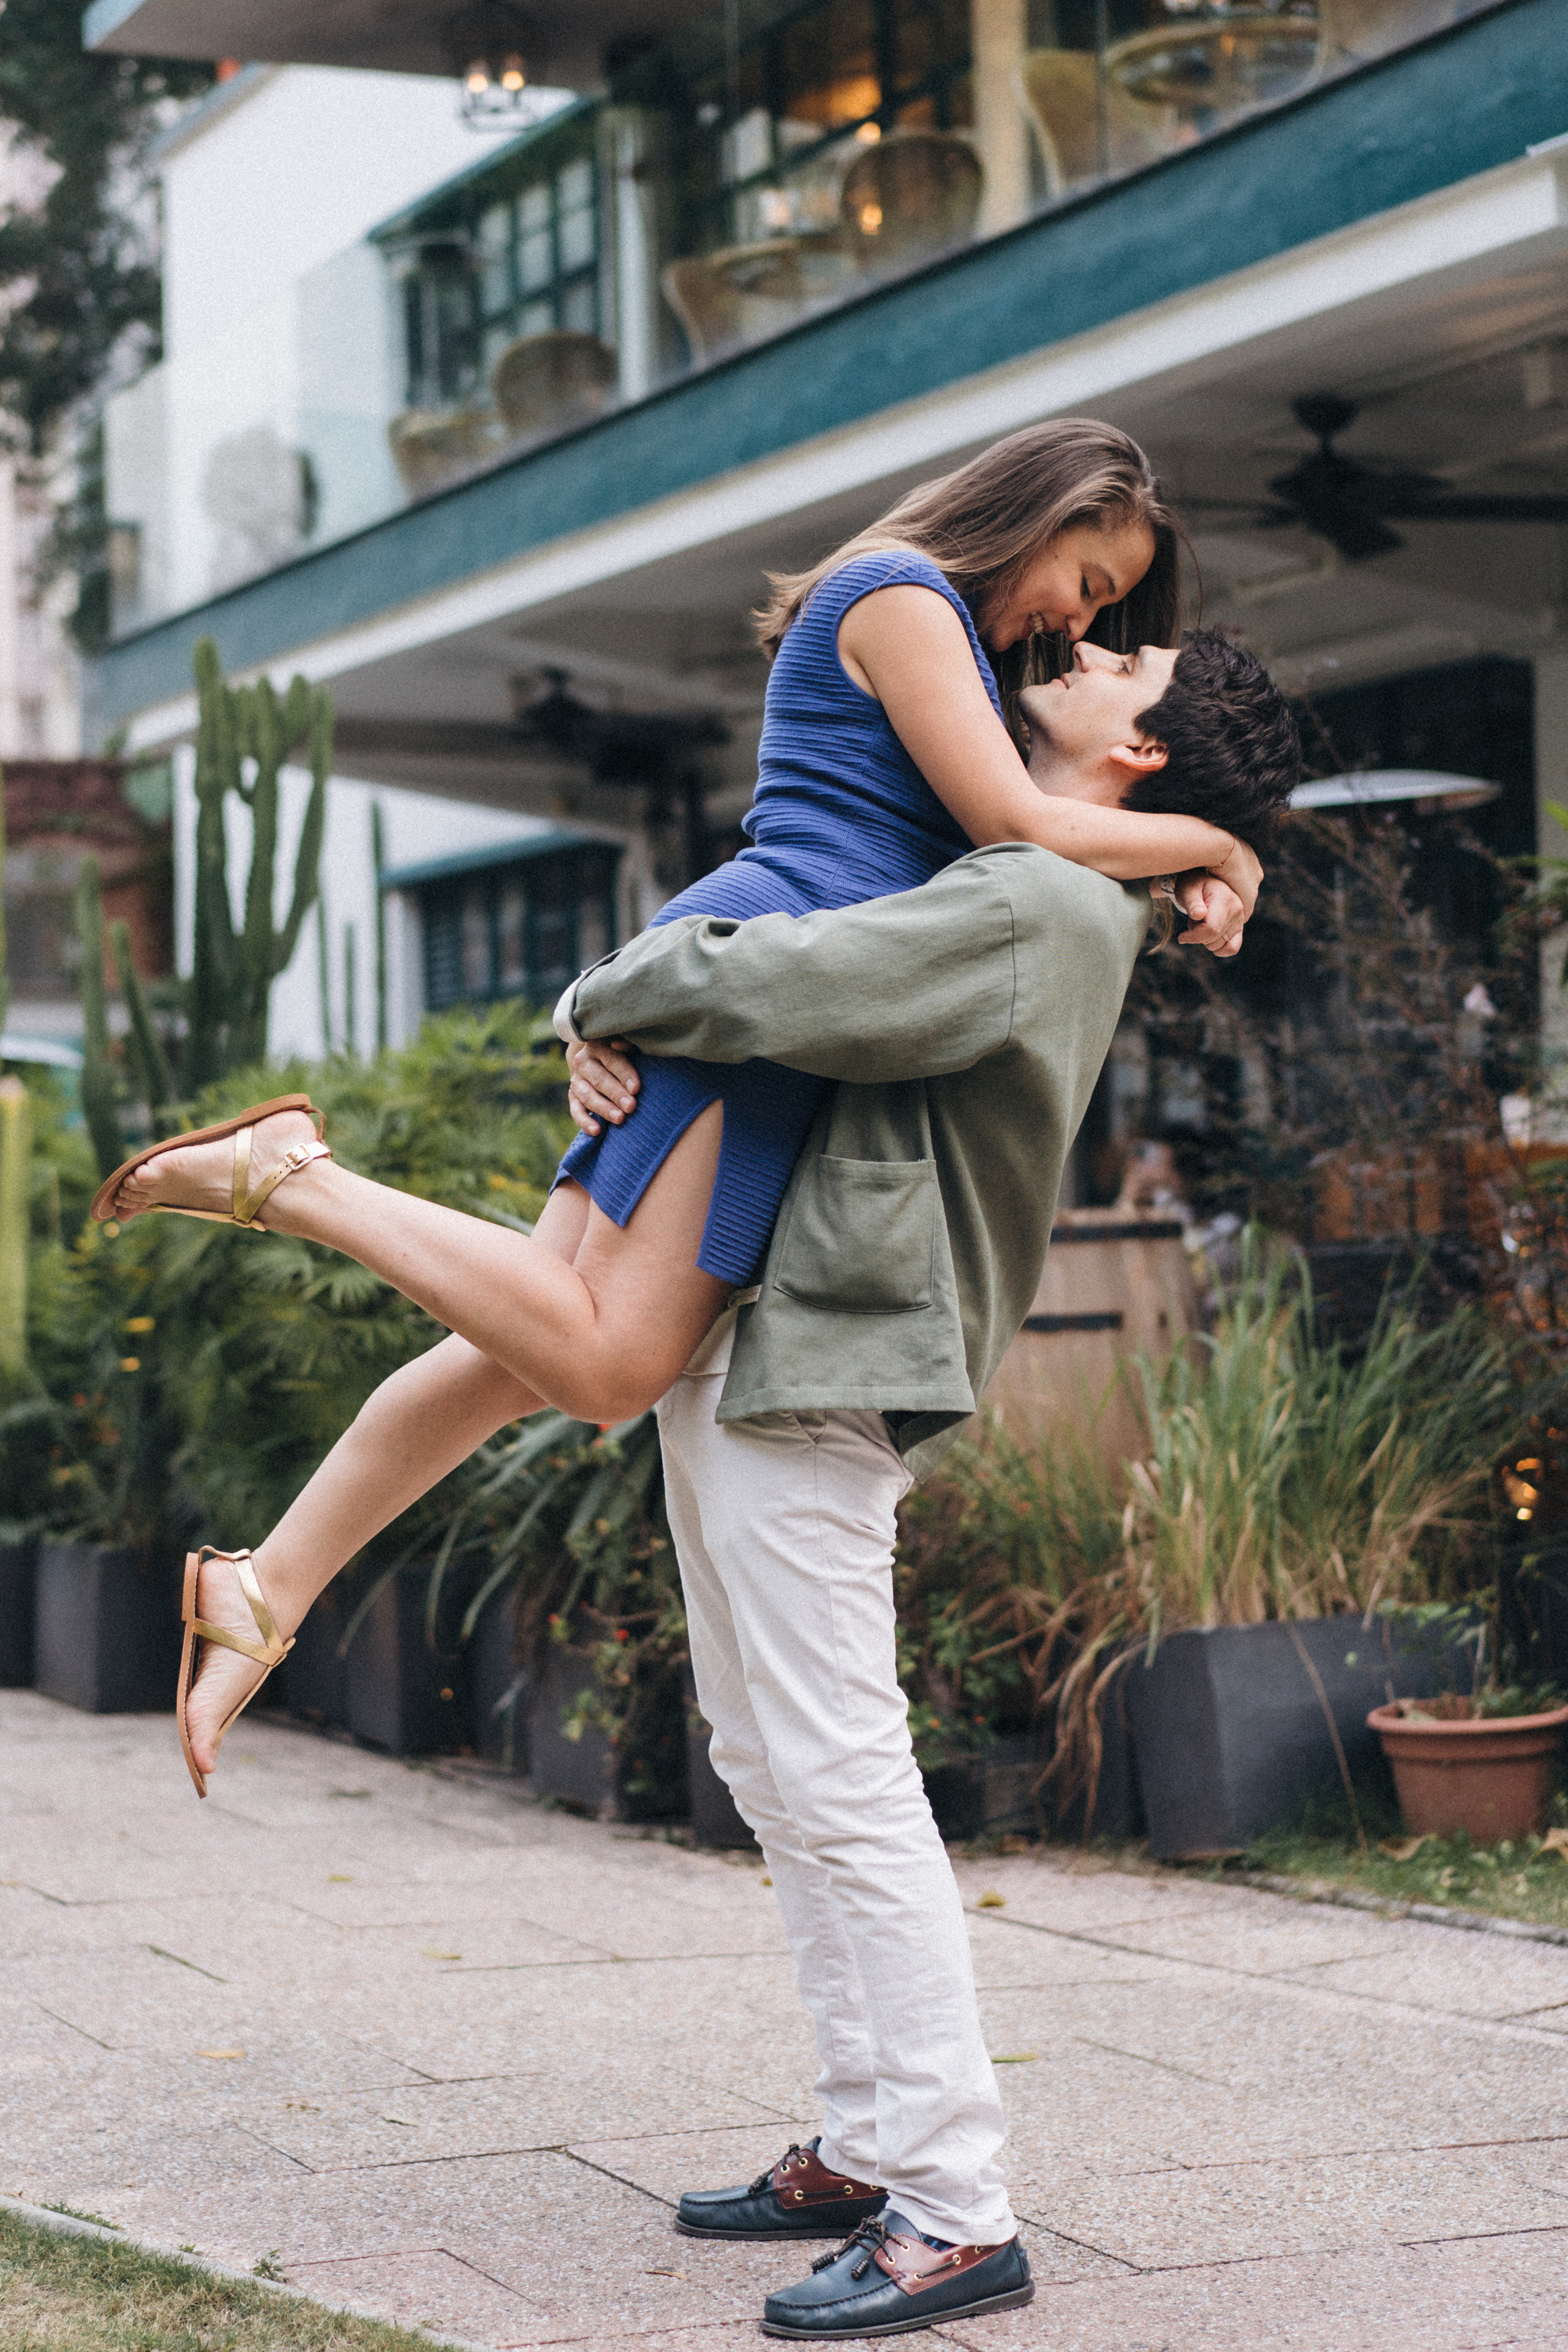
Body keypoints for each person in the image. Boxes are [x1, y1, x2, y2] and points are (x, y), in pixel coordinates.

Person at [94, 420, 1267, 1798]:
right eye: (1083, 577)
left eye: (1104, 612)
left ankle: (262, 1589)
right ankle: (292, 1174)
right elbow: (1024, 825)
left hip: (764, 980)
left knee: (516, 1345)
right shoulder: (899, 594)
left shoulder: (948, 640)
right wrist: (1218, 838)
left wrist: (1171, 877)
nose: (1077, 621)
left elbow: (1037, 845)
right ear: (1027, 512)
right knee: (606, 1368)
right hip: (768, 989)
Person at [547, 628, 1299, 2339]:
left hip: (826, 1356)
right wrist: (1213, 856)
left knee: (841, 1771)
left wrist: (595, 994)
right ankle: (874, 2138)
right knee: (770, 1755)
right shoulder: (1040, 877)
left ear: (1148, 750)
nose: (1085, 645)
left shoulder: (1031, 904)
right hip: (786, 1336)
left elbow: (774, 986)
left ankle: (956, 2209)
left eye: (1128, 653)